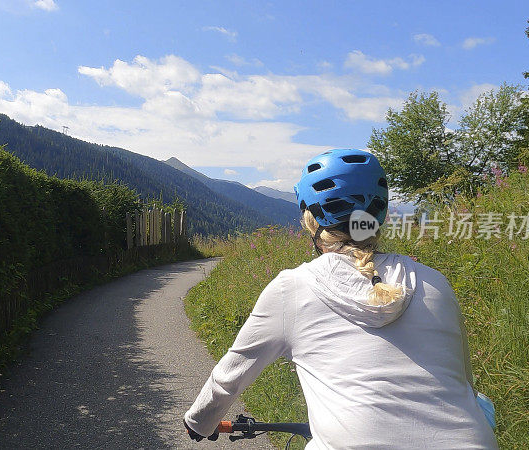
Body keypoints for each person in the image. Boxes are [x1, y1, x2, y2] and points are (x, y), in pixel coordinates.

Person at [183, 149, 498, 448]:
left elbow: (229, 379)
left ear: (311, 220)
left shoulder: (291, 289)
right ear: (380, 216)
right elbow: (464, 383)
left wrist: (198, 422)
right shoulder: (434, 281)